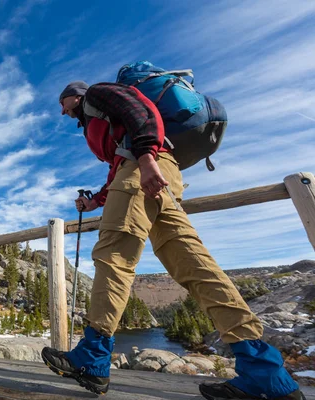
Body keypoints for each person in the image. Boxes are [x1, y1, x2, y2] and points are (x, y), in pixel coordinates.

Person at [41, 81, 304, 400]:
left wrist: (147, 160)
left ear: (77, 94)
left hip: (144, 169)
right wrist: (96, 200)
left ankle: (92, 359)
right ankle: (265, 371)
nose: (62, 109)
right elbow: (119, 166)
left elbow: (140, 111)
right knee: (195, 266)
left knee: (114, 258)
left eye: (63, 101)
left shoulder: (98, 93)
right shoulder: (105, 124)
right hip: (157, 172)